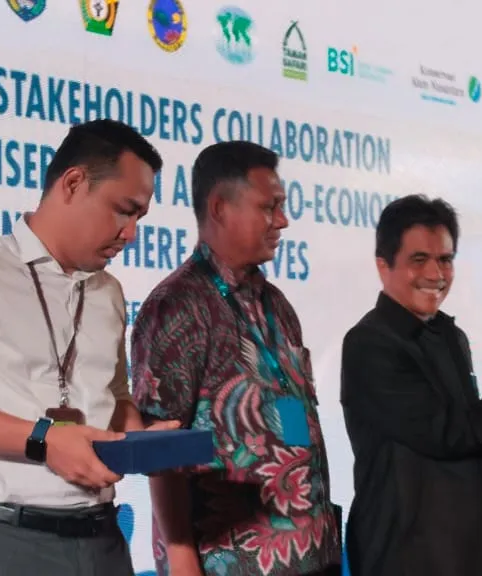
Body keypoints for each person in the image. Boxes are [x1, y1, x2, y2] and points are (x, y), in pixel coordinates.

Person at [0, 119, 175, 576]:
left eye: (139, 219)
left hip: (101, 536)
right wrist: (44, 440)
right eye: (123, 211)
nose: (131, 234)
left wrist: (140, 440)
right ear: (73, 183)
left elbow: (114, 397)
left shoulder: (107, 291)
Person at [130, 141, 343, 576]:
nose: (282, 221)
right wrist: (181, 560)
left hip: (314, 555)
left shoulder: (277, 305)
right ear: (220, 208)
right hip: (230, 563)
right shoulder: (177, 306)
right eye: (269, 207)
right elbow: (159, 450)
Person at [339, 194, 482, 576]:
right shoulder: (369, 343)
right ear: (383, 265)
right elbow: (442, 432)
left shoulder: (450, 336)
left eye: (445, 259)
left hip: (471, 551)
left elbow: (462, 441)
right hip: (409, 556)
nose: (436, 273)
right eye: (419, 259)